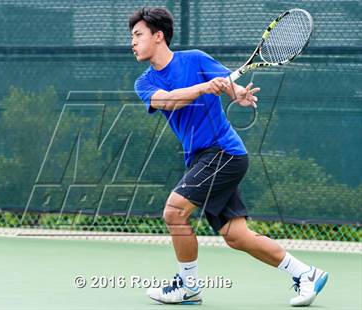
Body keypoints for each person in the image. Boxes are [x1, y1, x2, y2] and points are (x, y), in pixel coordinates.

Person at [129, 7, 328, 307]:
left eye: (138, 35)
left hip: (223, 153)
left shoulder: (195, 59)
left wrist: (237, 93)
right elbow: (169, 101)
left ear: (158, 36)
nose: (132, 42)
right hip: (201, 159)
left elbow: (228, 85)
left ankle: (188, 286)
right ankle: (305, 273)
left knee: (174, 212)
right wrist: (203, 88)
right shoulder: (144, 82)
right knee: (236, 236)